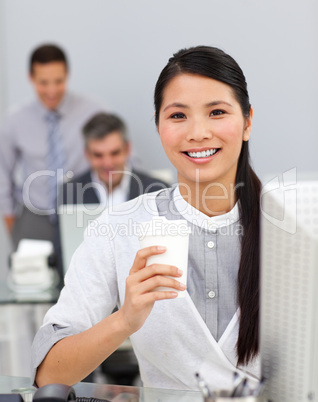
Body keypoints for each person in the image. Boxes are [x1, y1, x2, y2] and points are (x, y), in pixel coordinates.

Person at [32, 46, 261, 392]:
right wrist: (124, 321)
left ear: (246, 122)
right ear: (158, 126)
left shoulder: (295, 227)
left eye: (216, 112)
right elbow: (49, 374)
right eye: (178, 116)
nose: (197, 132)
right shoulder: (117, 228)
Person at [0, 44, 105, 261]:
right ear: (31, 77)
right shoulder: (15, 120)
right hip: (36, 214)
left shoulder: (93, 111)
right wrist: (15, 227)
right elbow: (3, 177)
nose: (51, 91)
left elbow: (118, 158)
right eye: (43, 83)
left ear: (67, 75)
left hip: (83, 210)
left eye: (58, 81)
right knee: (31, 285)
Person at [61, 112, 169, 207]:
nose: (108, 163)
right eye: (98, 155)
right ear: (87, 154)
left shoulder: (159, 191)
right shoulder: (69, 193)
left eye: (115, 153)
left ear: (127, 149)